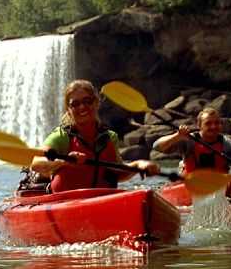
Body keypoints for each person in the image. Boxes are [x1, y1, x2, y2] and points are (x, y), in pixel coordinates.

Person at [31, 79, 160, 193]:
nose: (82, 107)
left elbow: (117, 173)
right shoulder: (60, 136)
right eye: (75, 104)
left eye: (87, 101)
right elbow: (36, 164)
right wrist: (63, 162)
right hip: (64, 202)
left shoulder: (110, 137)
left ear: (96, 103)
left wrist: (138, 165)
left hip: (101, 199)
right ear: (68, 110)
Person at [152, 107, 231, 178]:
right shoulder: (188, 141)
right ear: (199, 125)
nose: (213, 126)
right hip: (191, 183)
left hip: (218, 185)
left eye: (217, 123)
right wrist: (177, 136)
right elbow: (157, 146)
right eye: (208, 123)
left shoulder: (227, 144)